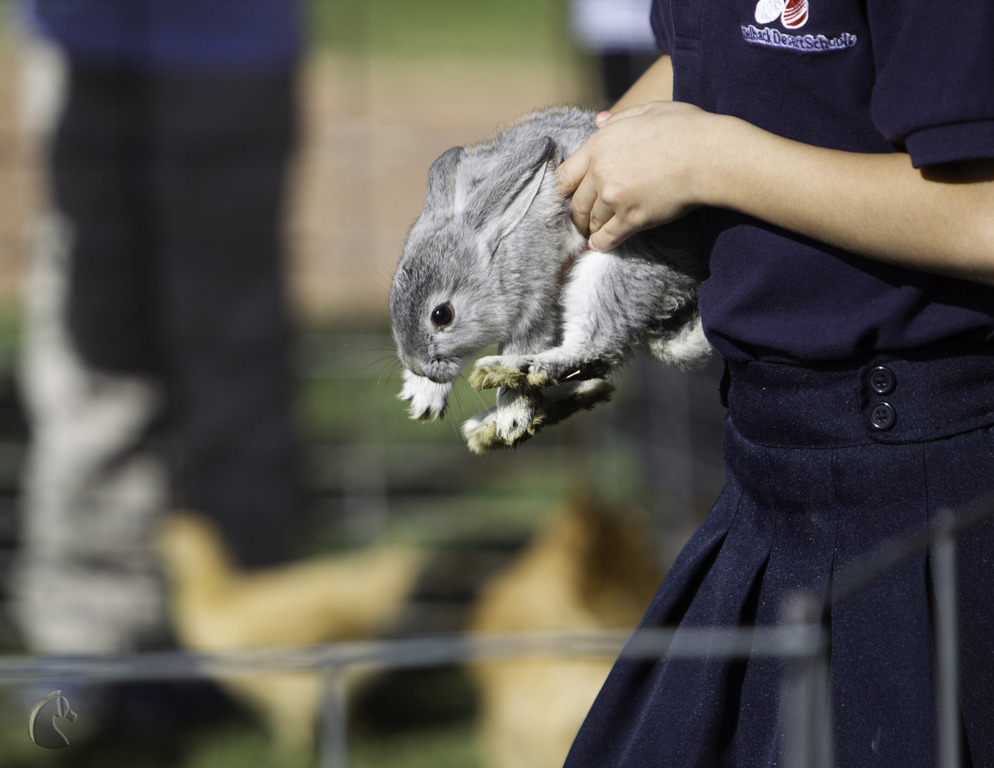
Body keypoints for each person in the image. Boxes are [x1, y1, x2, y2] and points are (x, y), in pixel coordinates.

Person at [556, 2, 994, 766]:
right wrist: (557, 197)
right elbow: (706, 54)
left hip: (932, 496)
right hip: (768, 473)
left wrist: (710, 161)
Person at [12, 0, 305, 736]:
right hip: (74, 36)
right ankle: (86, 643)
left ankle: (241, 634)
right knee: (87, 351)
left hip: (231, 43)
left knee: (231, 348)